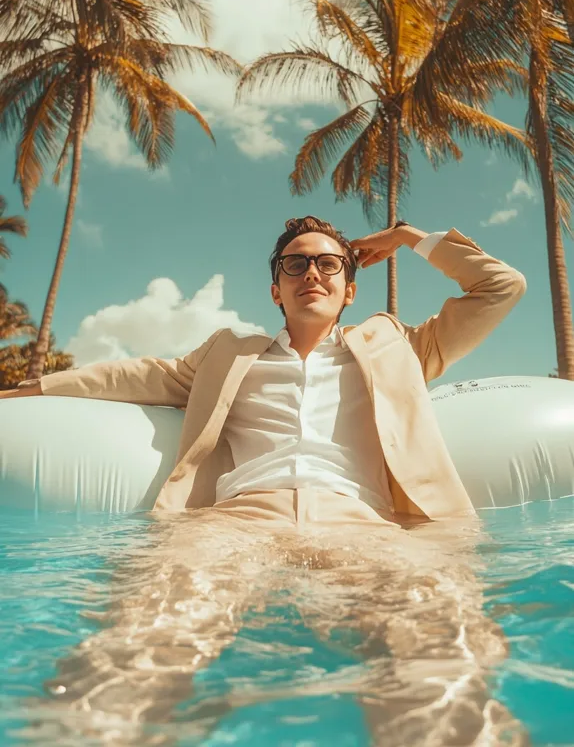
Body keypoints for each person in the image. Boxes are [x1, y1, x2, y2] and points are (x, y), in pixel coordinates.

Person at [4, 218, 530, 746]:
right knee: (151, 630)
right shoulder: (229, 354)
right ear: (276, 289)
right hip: (237, 524)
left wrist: (406, 238)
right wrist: (39, 387)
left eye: (329, 263)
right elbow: (142, 375)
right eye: (295, 264)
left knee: (436, 636)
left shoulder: (400, 347)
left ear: (350, 290)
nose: (312, 273)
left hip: (366, 527)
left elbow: (501, 286)